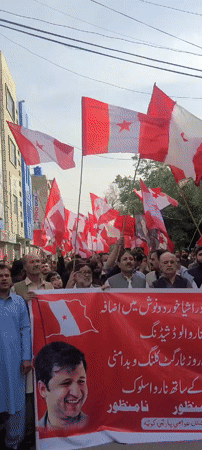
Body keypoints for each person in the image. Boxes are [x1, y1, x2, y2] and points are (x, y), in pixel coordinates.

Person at [12, 254, 53, 447]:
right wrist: (21, 301)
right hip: (26, 347)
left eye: (38, 262)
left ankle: (48, 431)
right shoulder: (17, 289)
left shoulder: (50, 287)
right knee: (28, 391)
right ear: (25, 268)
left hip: (46, 345)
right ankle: (28, 435)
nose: (36, 265)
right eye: (32, 262)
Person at [0, 263, 32, 449]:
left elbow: (25, 330)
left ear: (12, 279)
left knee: (16, 401)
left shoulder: (19, 302)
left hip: (15, 363)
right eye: (0, 275)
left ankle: (13, 442)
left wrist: (26, 357)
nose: (4, 278)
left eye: (6, 275)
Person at [34, 341, 88, 429]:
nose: (77, 393)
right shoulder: (38, 431)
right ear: (43, 389)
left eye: (81, 381)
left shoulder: (95, 427)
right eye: (66, 383)